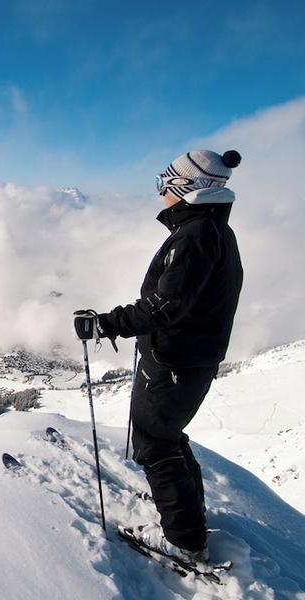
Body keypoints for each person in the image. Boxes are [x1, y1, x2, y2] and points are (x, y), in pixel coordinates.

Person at [74, 149, 243, 563]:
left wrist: (104, 324)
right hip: (185, 359)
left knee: (154, 444)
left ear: (186, 188)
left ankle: (184, 541)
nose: (160, 192)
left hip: (175, 362)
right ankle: (186, 517)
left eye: (164, 184)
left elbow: (166, 306)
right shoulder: (212, 231)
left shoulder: (196, 236)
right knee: (166, 438)